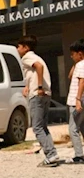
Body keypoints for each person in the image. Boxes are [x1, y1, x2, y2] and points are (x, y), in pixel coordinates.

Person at [17, 35, 58, 167]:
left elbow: (38, 67)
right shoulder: (36, 57)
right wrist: (28, 86)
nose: (17, 49)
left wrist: (39, 87)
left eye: (19, 46)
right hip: (45, 94)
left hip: (38, 94)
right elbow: (33, 73)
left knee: (37, 127)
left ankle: (51, 155)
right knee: (43, 126)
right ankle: (52, 153)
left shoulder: (27, 57)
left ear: (26, 47)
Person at [67, 39, 84, 164]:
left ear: (80, 53)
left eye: (73, 54)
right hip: (79, 100)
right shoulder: (78, 65)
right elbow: (70, 76)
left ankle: (79, 155)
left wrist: (77, 99)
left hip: (76, 100)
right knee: (82, 127)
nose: (71, 57)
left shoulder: (81, 65)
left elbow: (81, 81)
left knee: (73, 129)